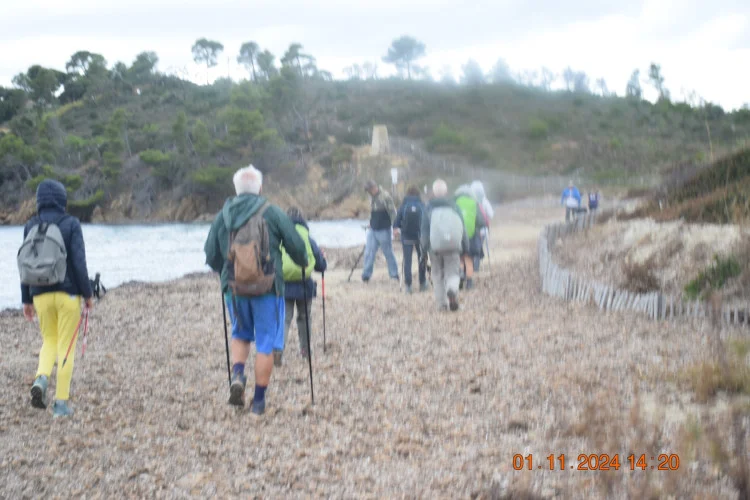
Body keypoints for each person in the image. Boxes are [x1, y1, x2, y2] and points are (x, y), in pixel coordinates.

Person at [204, 165, 308, 415]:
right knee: (265, 343)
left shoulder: (223, 215)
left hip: (234, 288)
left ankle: (238, 375)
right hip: (267, 288)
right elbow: (296, 245)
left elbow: (210, 253)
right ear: (260, 188)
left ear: (236, 190)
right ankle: (258, 402)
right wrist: (303, 261)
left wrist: (225, 273)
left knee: (240, 334)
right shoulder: (272, 212)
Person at [20, 179, 94, 418]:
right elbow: (78, 263)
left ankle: (41, 378)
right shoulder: (71, 224)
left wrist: (26, 299)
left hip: (39, 294)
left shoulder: (30, 225)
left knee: (49, 340)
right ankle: (60, 404)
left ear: (39, 200)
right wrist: (87, 294)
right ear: (63, 199)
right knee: (66, 347)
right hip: (68, 295)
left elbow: (25, 265)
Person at [276, 207, 327, 366]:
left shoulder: (280, 236)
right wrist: (323, 260)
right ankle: (305, 350)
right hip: (304, 283)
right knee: (304, 317)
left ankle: (279, 350)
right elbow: (320, 265)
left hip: (284, 285)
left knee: (285, 319)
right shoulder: (307, 236)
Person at [421, 179, 469, 312]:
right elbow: (462, 228)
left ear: (433, 192)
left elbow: (424, 231)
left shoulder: (428, 208)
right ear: (446, 191)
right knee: (452, 272)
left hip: (434, 248)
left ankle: (442, 305)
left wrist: (424, 249)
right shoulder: (454, 206)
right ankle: (452, 289)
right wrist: (466, 247)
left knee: (437, 275)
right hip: (453, 245)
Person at [361, 180, 399, 283]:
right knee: (369, 252)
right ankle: (366, 275)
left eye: (369, 190)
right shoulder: (371, 197)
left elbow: (393, 212)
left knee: (388, 252)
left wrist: (395, 228)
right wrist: (371, 222)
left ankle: (394, 275)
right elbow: (373, 212)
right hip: (373, 229)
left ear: (373, 188)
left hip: (384, 230)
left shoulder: (385, 196)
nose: (368, 192)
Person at [393, 185, 427, 294]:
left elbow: (396, 222)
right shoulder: (422, 205)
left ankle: (408, 285)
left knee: (407, 261)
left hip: (406, 236)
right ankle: (422, 283)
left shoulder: (404, 205)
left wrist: (396, 229)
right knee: (422, 259)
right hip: (420, 236)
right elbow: (427, 220)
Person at [454, 184, 486, 290]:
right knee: (469, 259)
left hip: (458, 235)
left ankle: (460, 276)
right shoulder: (474, 203)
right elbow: (481, 221)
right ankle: (469, 283)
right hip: (471, 236)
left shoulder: (455, 203)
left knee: (460, 258)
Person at [470, 180, 494, 272]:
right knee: (478, 247)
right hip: (483, 230)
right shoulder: (484, 201)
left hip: (471, 229)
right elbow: (491, 214)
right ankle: (476, 267)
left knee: (471, 247)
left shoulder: (470, 200)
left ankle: (470, 266)